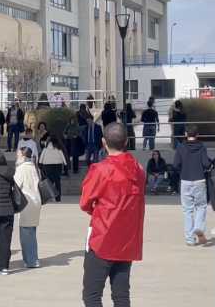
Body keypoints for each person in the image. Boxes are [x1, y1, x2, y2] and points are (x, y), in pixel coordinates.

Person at [80, 122, 145, 307]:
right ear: (126, 141)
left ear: (103, 142)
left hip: (103, 237)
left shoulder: (100, 170)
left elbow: (85, 202)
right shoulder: (139, 170)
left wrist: (98, 211)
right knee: (121, 295)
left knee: (92, 295)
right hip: (127, 239)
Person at [173, 126, 211, 245]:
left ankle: (190, 239)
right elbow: (205, 164)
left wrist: (182, 170)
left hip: (185, 180)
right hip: (199, 180)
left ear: (185, 134)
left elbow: (176, 164)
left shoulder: (180, 147)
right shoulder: (202, 147)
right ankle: (198, 226)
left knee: (187, 210)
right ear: (197, 135)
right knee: (201, 206)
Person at [14, 147, 42, 268]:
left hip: (26, 202)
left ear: (23, 156)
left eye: (18, 155)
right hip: (36, 202)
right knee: (32, 232)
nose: (17, 157)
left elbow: (16, 185)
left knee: (26, 234)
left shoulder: (21, 169)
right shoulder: (34, 167)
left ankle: (31, 260)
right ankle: (34, 258)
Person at [39, 136, 67, 202]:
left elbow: (41, 158)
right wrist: (65, 165)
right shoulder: (58, 149)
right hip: (58, 165)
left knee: (49, 182)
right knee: (57, 182)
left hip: (47, 165)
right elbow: (63, 158)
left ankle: (49, 197)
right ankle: (58, 198)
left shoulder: (45, 149)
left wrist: (40, 164)